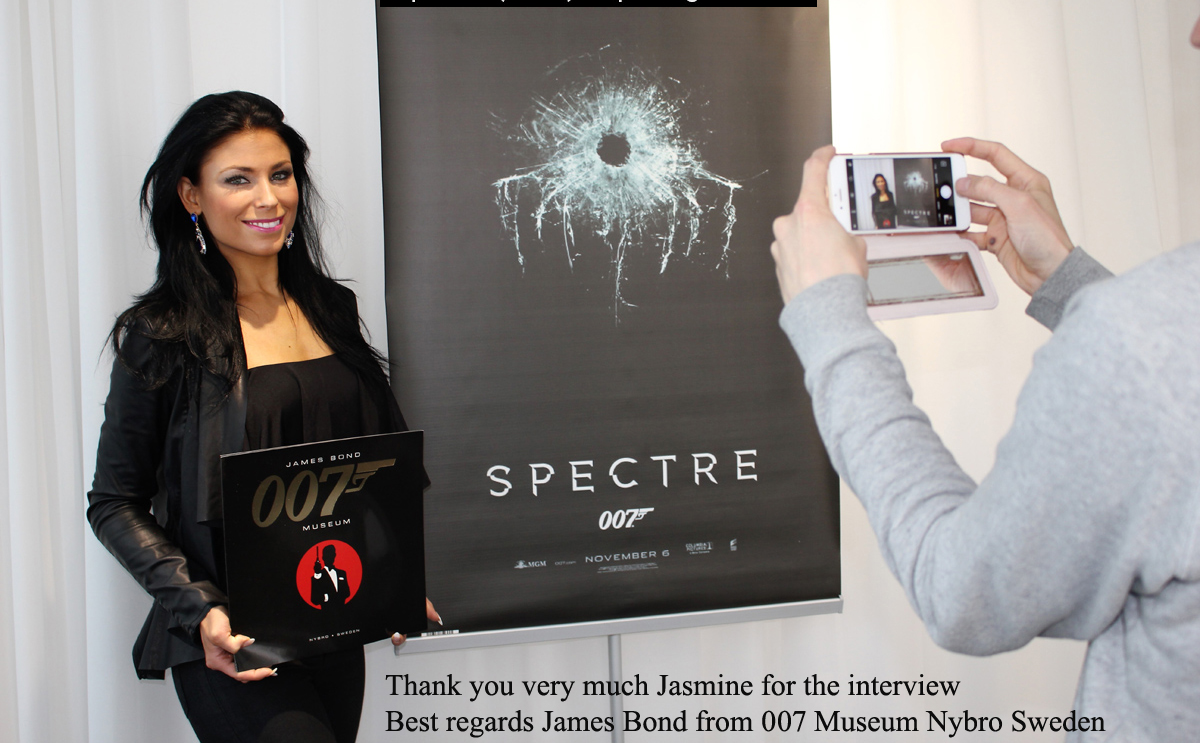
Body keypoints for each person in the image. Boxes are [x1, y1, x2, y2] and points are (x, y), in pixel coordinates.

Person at [769, 21, 1200, 739]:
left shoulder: (1143, 341)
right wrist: (1076, 288)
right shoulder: (1153, 336)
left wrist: (832, 327)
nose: (1193, 31)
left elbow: (965, 592)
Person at [87, 91, 437, 743]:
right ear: (191, 196)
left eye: (280, 174)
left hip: (334, 616)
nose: (268, 198)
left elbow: (378, 466)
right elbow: (114, 502)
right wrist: (200, 609)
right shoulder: (163, 334)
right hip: (233, 642)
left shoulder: (332, 308)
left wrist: (393, 577)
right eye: (238, 180)